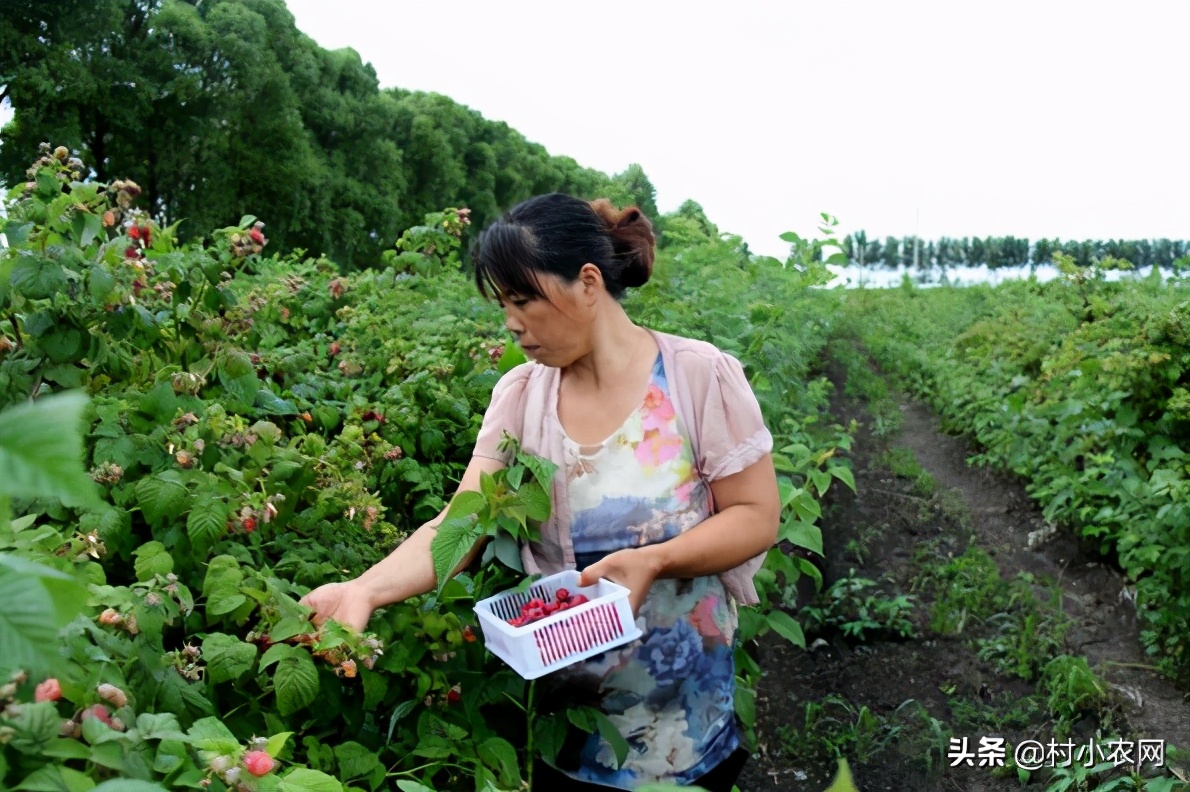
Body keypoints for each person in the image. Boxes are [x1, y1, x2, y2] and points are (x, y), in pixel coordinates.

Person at [301, 193, 780, 791]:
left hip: (687, 730)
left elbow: (756, 515)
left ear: (587, 283)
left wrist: (655, 559)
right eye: (503, 304)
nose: (511, 322)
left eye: (523, 300)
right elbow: (460, 524)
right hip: (567, 738)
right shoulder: (522, 397)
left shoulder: (694, 377)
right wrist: (364, 589)